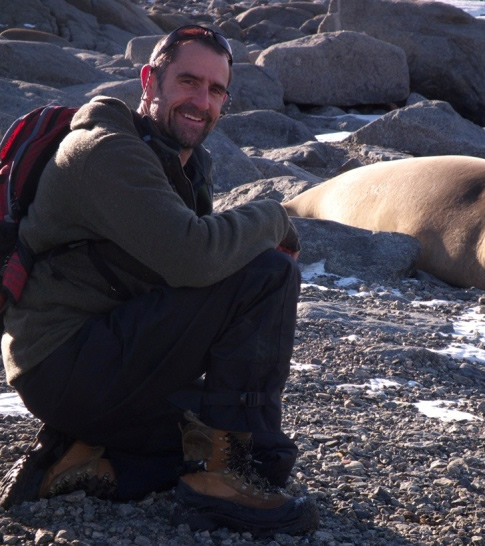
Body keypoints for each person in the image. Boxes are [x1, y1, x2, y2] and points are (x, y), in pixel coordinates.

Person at [0, 25, 319, 537]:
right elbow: (193, 259)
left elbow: (194, 277)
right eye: (188, 82)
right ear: (149, 81)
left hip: (99, 355)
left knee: (239, 443)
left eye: (216, 90)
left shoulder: (185, 163)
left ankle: (87, 460)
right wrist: (274, 217)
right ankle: (222, 480)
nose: (202, 101)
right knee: (266, 274)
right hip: (63, 363)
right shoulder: (106, 151)